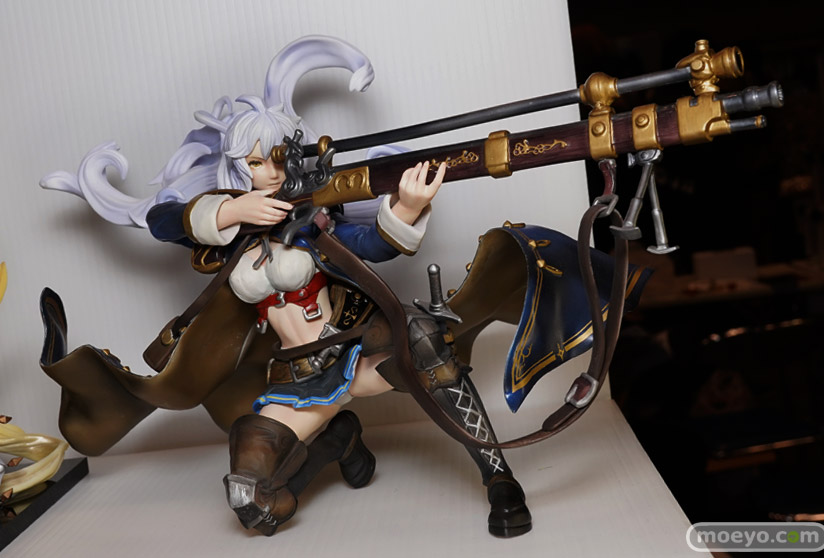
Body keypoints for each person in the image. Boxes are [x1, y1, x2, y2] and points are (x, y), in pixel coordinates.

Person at [38, 35, 533, 538]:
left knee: (425, 339)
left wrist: (405, 207)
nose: (270, 173)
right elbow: (162, 220)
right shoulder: (228, 232)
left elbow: (371, 245)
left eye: (279, 159)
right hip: (295, 378)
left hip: (354, 352)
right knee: (250, 500)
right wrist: (231, 211)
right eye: (256, 163)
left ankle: (499, 477)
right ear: (238, 167)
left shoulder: (315, 218)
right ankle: (339, 441)